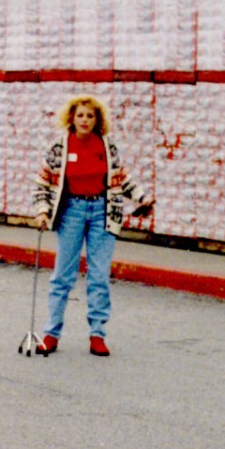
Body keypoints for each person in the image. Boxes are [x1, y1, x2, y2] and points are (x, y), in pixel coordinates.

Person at [31, 94, 152, 357]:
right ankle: (51, 333)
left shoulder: (106, 146)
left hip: (102, 212)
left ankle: (97, 334)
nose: (85, 120)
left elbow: (122, 178)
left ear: (97, 120)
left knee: (99, 276)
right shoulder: (60, 147)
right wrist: (42, 211)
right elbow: (43, 182)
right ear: (71, 118)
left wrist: (141, 197)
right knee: (63, 275)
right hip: (71, 212)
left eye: (90, 115)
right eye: (80, 115)